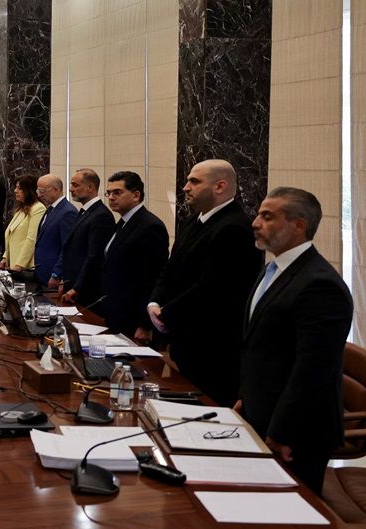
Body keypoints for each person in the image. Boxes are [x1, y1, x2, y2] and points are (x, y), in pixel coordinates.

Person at [237, 187, 353, 495]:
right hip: (262, 412)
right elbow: (260, 345)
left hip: (297, 432)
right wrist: (246, 398)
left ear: (298, 225)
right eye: (258, 214)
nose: (255, 223)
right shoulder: (273, 268)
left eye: (267, 217)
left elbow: (313, 370)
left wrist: (284, 431)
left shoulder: (320, 284)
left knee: (291, 512)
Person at [148, 160, 261, 405]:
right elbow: (170, 268)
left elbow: (213, 287)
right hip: (186, 341)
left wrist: (166, 314)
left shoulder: (235, 227)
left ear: (220, 186)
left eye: (194, 181)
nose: (185, 187)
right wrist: (154, 302)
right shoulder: (194, 221)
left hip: (214, 348)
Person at [98, 171, 169, 342]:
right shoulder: (123, 222)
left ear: (136, 195)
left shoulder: (150, 226)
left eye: (117, 192)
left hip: (134, 320)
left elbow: (152, 279)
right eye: (109, 193)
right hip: (115, 312)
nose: (111, 197)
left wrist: (145, 324)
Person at [59, 169, 115, 307]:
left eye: (75, 185)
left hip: (85, 291)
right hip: (72, 284)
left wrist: (77, 288)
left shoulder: (101, 215)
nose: (71, 189)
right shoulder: (85, 211)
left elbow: (94, 256)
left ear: (90, 187)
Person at [34, 173, 78, 287]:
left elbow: (67, 248)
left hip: (53, 276)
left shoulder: (68, 212)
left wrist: (56, 274)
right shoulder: (51, 209)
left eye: (42, 191)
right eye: (38, 191)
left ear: (56, 189)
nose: (39, 195)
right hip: (41, 273)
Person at [0, 175, 46, 272]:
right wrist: (5, 257)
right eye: (16, 188)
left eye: (19, 188)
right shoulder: (21, 209)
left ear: (30, 190)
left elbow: (31, 239)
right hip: (13, 261)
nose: (15, 191)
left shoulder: (38, 208)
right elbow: (12, 236)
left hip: (25, 265)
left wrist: (20, 265)